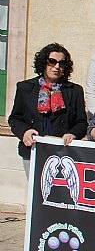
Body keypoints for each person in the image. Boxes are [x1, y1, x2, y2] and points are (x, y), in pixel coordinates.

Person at [9, 43, 88, 174]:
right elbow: (15, 118)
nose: (57, 66)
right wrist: (24, 132)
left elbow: (82, 122)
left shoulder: (75, 91)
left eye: (61, 63)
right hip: (33, 150)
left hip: (64, 153)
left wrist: (72, 134)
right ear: (43, 63)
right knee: (35, 187)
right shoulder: (25, 88)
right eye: (52, 61)